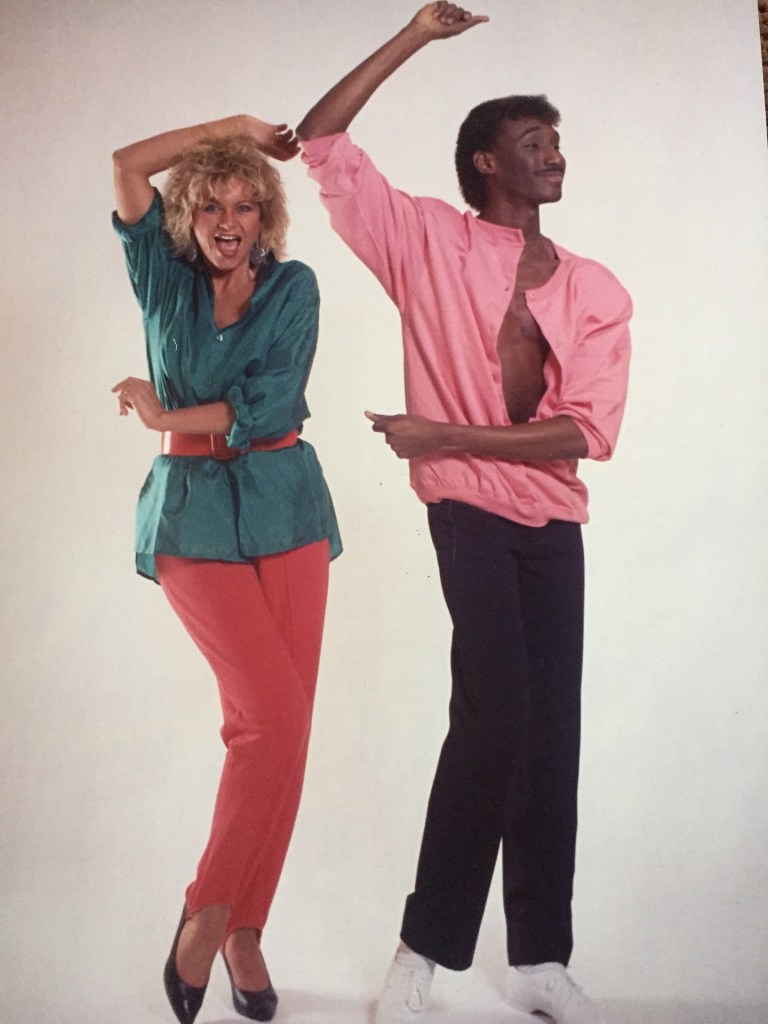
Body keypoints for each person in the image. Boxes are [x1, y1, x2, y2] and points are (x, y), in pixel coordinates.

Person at [296, 4, 631, 1023]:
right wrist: (413, 36)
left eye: (557, 141)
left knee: (551, 730)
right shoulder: (426, 242)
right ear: (487, 162)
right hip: (470, 512)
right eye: (534, 142)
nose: (554, 154)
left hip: (551, 517)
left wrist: (443, 433)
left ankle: (539, 960)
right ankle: (422, 952)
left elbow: (585, 432)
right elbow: (320, 138)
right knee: (495, 715)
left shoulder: (595, 289)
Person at [111, 115, 341, 1024]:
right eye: (211, 204)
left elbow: (271, 404)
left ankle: (246, 929)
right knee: (268, 721)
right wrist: (240, 130)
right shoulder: (161, 277)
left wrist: (162, 414)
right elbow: (128, 162)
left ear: (266, 216)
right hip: (191, 518)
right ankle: (207, 912)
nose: (228, 221)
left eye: (246, 205)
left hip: (287, 509)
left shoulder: (295, 287)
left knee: (286, 732)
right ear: (189, 216)